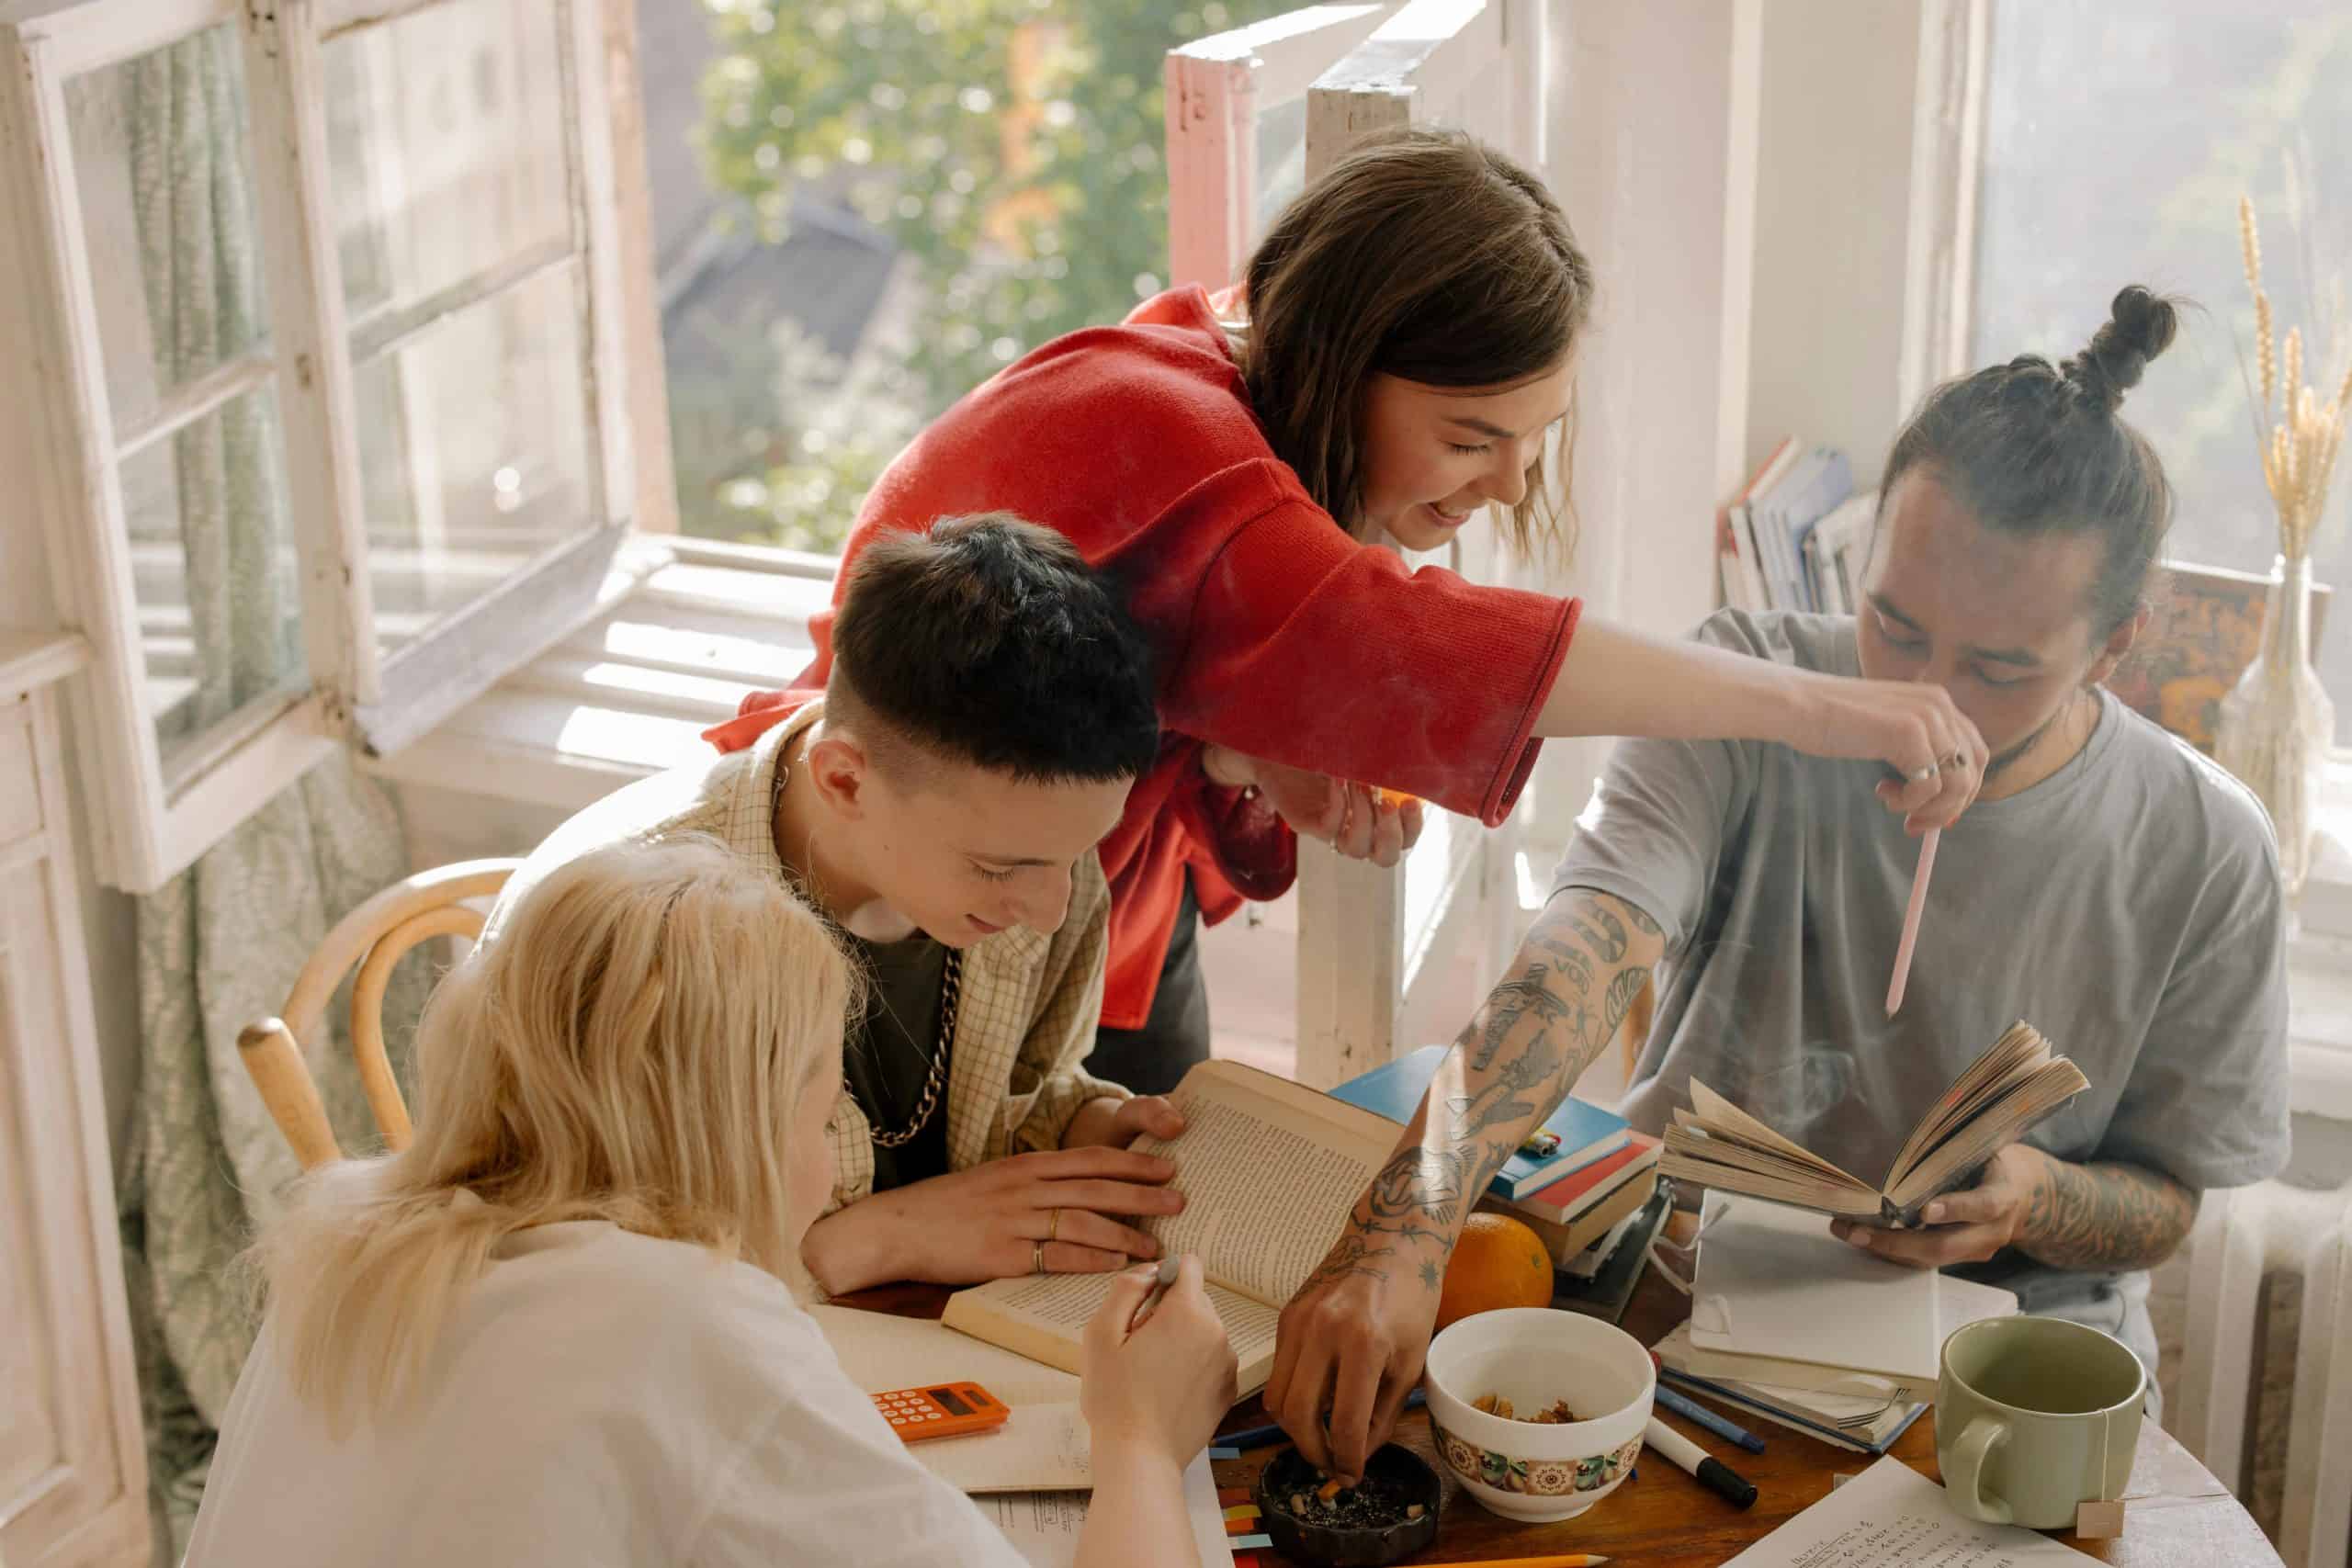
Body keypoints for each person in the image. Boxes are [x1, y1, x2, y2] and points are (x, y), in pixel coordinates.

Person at [706, 128, 1988, 1097]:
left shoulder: (1207, 359)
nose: (1506, 486)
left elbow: (1149, 641)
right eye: (1471, 437)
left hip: (1090, 909)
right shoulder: (1184, 444)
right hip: (918, 908)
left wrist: (1234, 743)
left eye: (1534, 441)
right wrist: (1829, 708)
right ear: (1340, 359)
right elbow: (1428, 641)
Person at [1272, 286, 2292, 1477]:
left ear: (2121, 643)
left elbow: (2168, 1196)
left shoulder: (2213, 848)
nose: (1931, 697)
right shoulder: (1746, 687)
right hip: (1691, 1339)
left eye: (2001, 667)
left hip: (2015, 1391)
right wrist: (1404, 1226)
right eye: (1895, 626)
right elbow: (1588, 946)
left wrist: (2035, 1194)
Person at [183, 839, 1240, 1567]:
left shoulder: (354, 1234)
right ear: (731, 1127)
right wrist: (1139, 1438)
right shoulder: (669, 1320)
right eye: (818, 1115)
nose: (828, 1170)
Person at [487, 513, 1192, 1296]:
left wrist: (1077, 1130)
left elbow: (1024, 1087)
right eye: (1002, 867)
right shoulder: (630, 931)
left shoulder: (1033, 845)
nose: (1053, 909)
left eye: (1075, 854)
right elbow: (550, 1282)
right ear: (844, 779)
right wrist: (862, 1245)